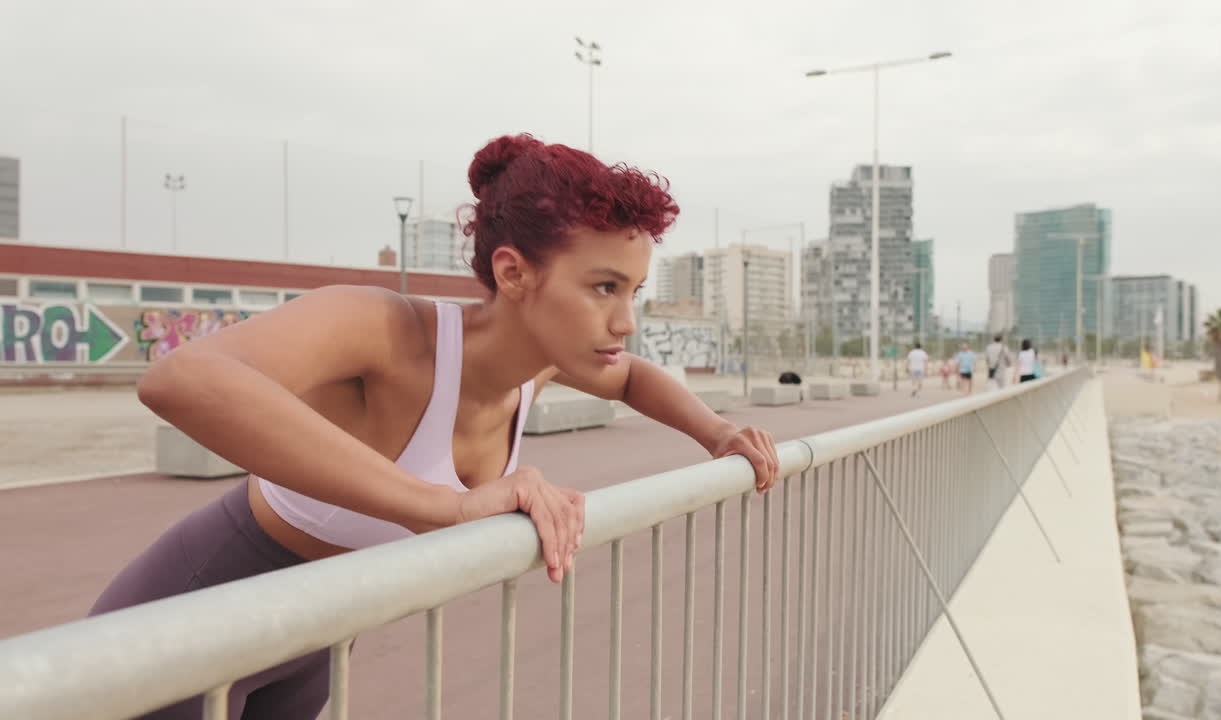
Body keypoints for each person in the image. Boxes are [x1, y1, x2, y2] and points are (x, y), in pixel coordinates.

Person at [87, 134, 780, 720]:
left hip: (315, 639)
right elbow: (181, 378)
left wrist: (718, 434)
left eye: (634, 291)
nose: (625, 321)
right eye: (604, 287)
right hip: (195, 614)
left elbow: (631, 377)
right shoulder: (388, 331)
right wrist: (445, 507)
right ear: (514, 272)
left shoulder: (544, 362)